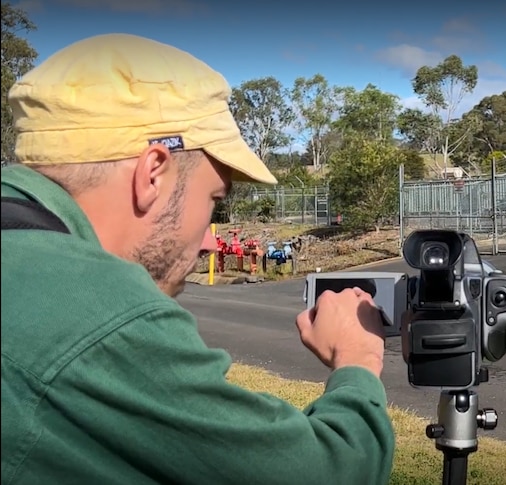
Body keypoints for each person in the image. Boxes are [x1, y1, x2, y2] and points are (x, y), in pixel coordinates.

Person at [0, 33, 395, 484]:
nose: (209, 242)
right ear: (152, 173)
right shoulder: (106, 315)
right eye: (213, 199)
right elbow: (332, 472)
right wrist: (359, 360)